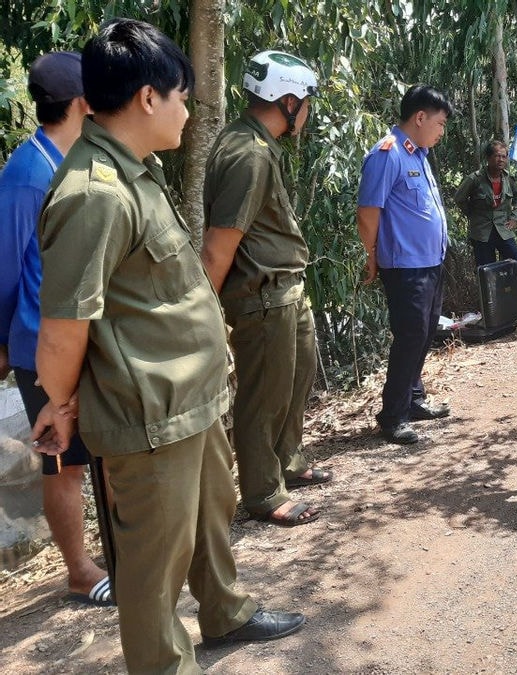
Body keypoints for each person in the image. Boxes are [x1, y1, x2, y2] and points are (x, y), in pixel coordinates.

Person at [32, 19, 304, 673]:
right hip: (148, 414)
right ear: (148, 98)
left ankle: (225, 611)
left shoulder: (138, 171)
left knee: (211, 516)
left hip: (191, 397)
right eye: (182, 95)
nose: (188, 108)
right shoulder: (93, 193)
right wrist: (61, 404)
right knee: (153, 565)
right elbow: (64, 328)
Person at [0, 51, 112, 608]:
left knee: (106, 449)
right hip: (40, 343)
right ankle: (79, 569)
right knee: (64, 461)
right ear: (83, 102)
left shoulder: (79, 160)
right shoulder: (26, 174)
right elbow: (4, 269)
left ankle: (123, 551)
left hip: (86, 336)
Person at [201, 50, 330, 528]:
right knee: (264, 395)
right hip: (262, 295)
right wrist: (205, 315)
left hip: (286, 290)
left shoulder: (254, 144)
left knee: (295, 380)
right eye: (309, 103)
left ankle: (288, 462)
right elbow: (218, 247)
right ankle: (262, 492)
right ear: (290, 100)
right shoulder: (247, 156)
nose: (309, 113)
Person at [357, 85, 454, 446]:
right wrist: (371, 255)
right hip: (405, 267)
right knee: (410, 337)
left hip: (430, 262)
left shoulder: (419, 155)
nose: (441, 131)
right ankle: (392, 415)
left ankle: (413, 400)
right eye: (440, 123)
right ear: (420, 117)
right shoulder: (388, 154)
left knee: (426, 333)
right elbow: (368, 212)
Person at [453, 139, 517, 285]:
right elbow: (459, 198)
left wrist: (515, 218)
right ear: (488, 158)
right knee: (487, 270)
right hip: (482, 232)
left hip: (503, 228)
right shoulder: (475, 179)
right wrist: (472, 214)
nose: (501, 160)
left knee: (515, 260)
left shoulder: (508, 178)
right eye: (497, 156)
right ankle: (490, 304)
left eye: (504, 156)